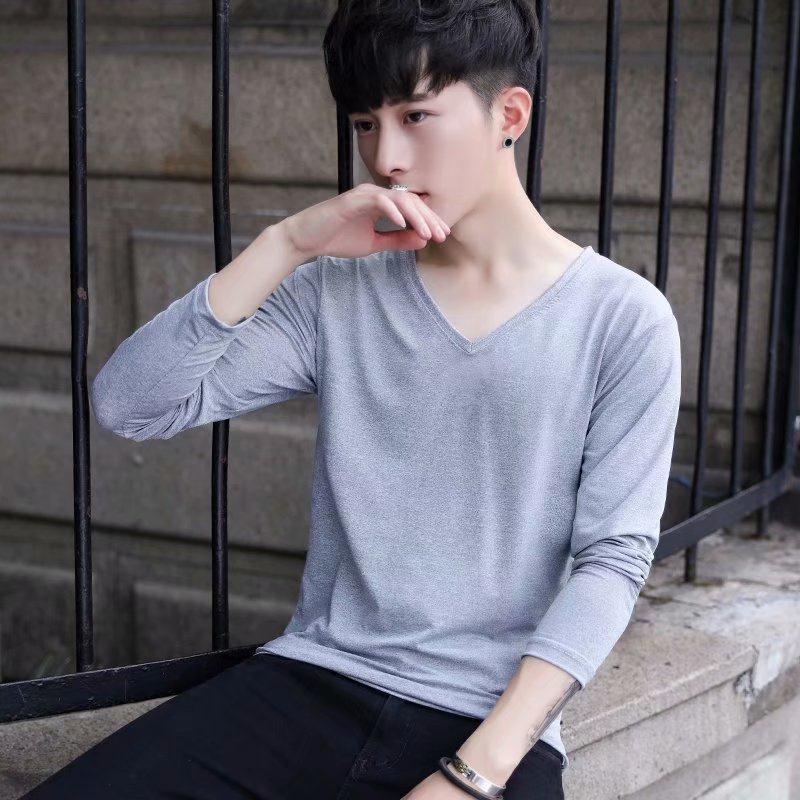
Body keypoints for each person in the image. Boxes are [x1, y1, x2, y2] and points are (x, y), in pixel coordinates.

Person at [22, 1, 682, 798]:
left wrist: (473, 774)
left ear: (509, 116)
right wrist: (287, 244)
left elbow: (612, 562)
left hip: (488, 721)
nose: (386, 157)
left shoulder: (622, 319)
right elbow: (132, 404)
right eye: (367, 123)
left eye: (416, 116)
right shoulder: (338, 293)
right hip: (311, 684)